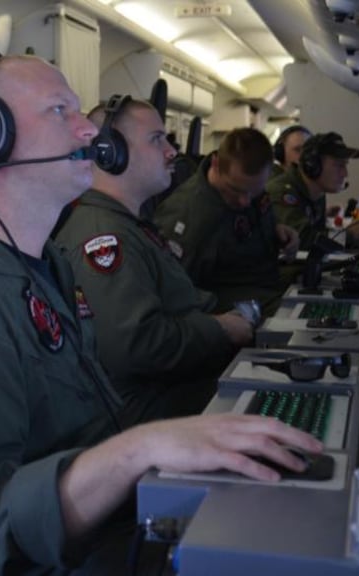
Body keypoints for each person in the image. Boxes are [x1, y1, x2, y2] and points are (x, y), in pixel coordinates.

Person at [0, 53, 322, 574]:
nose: (89, 129)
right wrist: (140, 449)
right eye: (60, 110)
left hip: (124, 525)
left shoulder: (46, 271)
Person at [54, 96, 253, 425]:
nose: (172, 151)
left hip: (170, 393)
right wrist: (220, 329)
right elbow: (136, 345)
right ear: (110, 152)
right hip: (148, 413)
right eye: (156, 140)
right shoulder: (103, 237)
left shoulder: (127, 225)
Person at [153, 127, 299, 317]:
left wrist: (277, 230)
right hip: (225, 306)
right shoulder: (189, 218)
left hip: (264, 282)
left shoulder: (245, 182)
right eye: (236, 190)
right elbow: (175, 296)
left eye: (253, 192)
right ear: (215, 164)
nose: (245, 201)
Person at [266, 131, 359, 252]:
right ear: (313, 165)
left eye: (345, 165)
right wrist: (348, 235)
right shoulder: (282, 192)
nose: (345, 173)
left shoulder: (317, 193)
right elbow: (304, 239)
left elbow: (317, 234)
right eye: (338, 165)